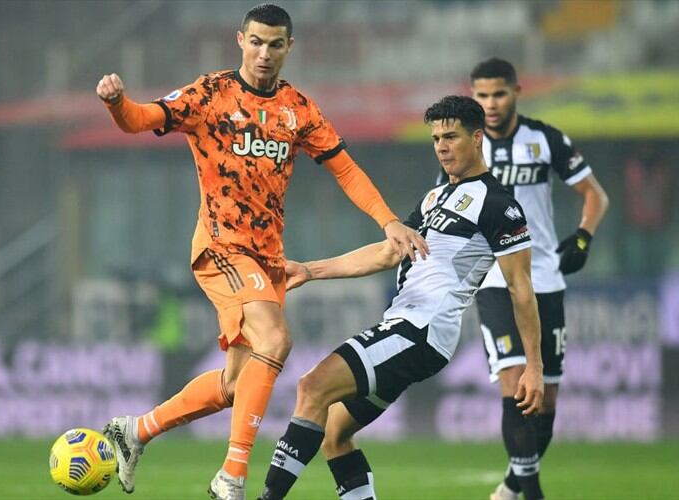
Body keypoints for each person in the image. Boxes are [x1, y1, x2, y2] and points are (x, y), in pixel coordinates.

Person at [94, 4, 427, 499]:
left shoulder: (299, 110)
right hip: (222, 248)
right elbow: (142, 119)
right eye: (255, 42)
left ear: (289, 47)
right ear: (239, 40)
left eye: (275, 44)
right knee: (275, 341)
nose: (264, 53)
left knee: (236, 384)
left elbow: (345, 169)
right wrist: (118, 103)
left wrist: (389, 220)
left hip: (268, 259)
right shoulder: (210, 94)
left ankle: (134, 431)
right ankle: (232, 476)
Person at [258, 96, 544, 500]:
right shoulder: (433, 198)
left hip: (421, 331)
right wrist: (311, 270)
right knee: (335, 434)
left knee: (313, 386)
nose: (441, 146)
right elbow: (390, 250)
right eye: (435, 138)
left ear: (477, 138)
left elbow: (521, 288)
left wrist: (534, 366)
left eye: (451, 137)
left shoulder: (498, 204)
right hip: (403, 325)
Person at [468, 58, 609, 500]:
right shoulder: (467, 146)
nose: (490, 104)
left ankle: (511, 487)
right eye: (482, 96)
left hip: (545, 276)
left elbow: (595, 195)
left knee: (544, 400)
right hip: (493, 278)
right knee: (515, 382)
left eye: (498, 94)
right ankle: (531, 492)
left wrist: (583, 238)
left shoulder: (545, 139)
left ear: (516, 92)